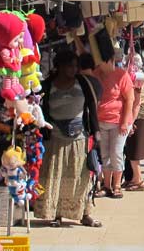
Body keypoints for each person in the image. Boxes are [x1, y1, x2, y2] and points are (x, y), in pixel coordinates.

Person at [35, 49, 102, 228]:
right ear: (60, 66)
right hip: (55, 138)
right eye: (70, 66)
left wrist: (96, 131)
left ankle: (84, 213)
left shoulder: (83, 83)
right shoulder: (48, 85)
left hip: (79, 138)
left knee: (80, 177)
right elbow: (40, 110)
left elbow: (92, 107)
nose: (73, 69)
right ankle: (56, 214)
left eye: (75, 66)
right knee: (55, 176)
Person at [91, 50, 134, 199]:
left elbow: (130, 99)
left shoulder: (122, 75)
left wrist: (125, 122)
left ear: (110, 61)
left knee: (116, 153)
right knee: (105, 154)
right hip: (101, 121)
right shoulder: (96, 74)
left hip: (118, 122)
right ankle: (106, 185)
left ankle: (117, 185)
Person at [124, 53, 144, 191]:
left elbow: (137, 101)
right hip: (136, 115)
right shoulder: (136, 75)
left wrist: (131, 120)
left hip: (139, 116)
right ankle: (134, 178)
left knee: (135, 150)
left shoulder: (139, 77)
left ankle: (138, 180)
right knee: (132, 149)